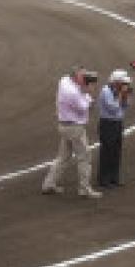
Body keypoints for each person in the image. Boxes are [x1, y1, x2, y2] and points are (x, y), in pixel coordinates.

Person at [42, 66, 102, 199]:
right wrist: (88, 91)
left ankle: (49, 184)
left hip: (64, 126)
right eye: (83, 77)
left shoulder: (64, 80)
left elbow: (78, 85)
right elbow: (85, 107)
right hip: (74, 128)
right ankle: (84, 189)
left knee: (63, 157)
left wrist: (84, 83)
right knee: (84, 157)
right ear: (76, 78)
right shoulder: (73, 93)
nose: (85, 79)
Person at [96, 70, 131, 189]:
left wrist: (125, 96)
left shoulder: (117, 91)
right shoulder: (106, 91)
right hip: (107, 124)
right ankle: (103, 179)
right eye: (122, 83)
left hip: (117, 124)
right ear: (116, 82)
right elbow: (113, 108)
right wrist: (121, 95)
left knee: (116, 151)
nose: (124, 85)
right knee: (107, 152)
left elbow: (125, 106)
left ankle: (114, 177)